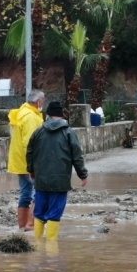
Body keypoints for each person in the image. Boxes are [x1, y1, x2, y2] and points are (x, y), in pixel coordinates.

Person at [26, 101, 88, 240]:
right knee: (55, 213)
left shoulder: (38, 131)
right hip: (60, 182)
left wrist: (31, 170)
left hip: (41, 180)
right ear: (62, 115)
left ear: (48, 114)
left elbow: (30, 152)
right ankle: (51, 248)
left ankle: (38, 245)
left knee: (39, 212)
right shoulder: (68, 132)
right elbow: (76, 156)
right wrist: (82, 174)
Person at [7, 89, 44, 231]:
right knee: (38, 192)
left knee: (25, 194)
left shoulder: (21, 113)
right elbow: (30, 143)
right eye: (43, 103)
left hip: (19, 161)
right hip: (29, 163)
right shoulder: (31, 117)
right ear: (39, 102)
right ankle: (31, 224)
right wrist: (33, 166)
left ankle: (22, 226)